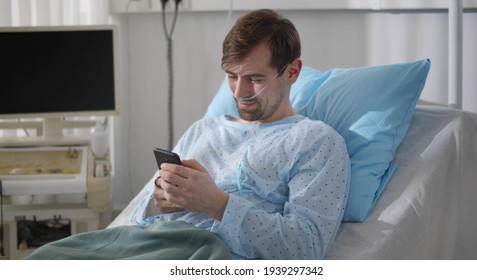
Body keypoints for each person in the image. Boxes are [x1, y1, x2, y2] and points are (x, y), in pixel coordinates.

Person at [130, 9, 350, 260]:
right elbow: (135, 218)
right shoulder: (202, 130)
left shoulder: (316, 141)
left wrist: (218, 205)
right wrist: (157, 202)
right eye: (232, 76)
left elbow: (305, 247)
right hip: (147, 248)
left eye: (254, 79)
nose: (239, 92)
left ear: (292, 72)